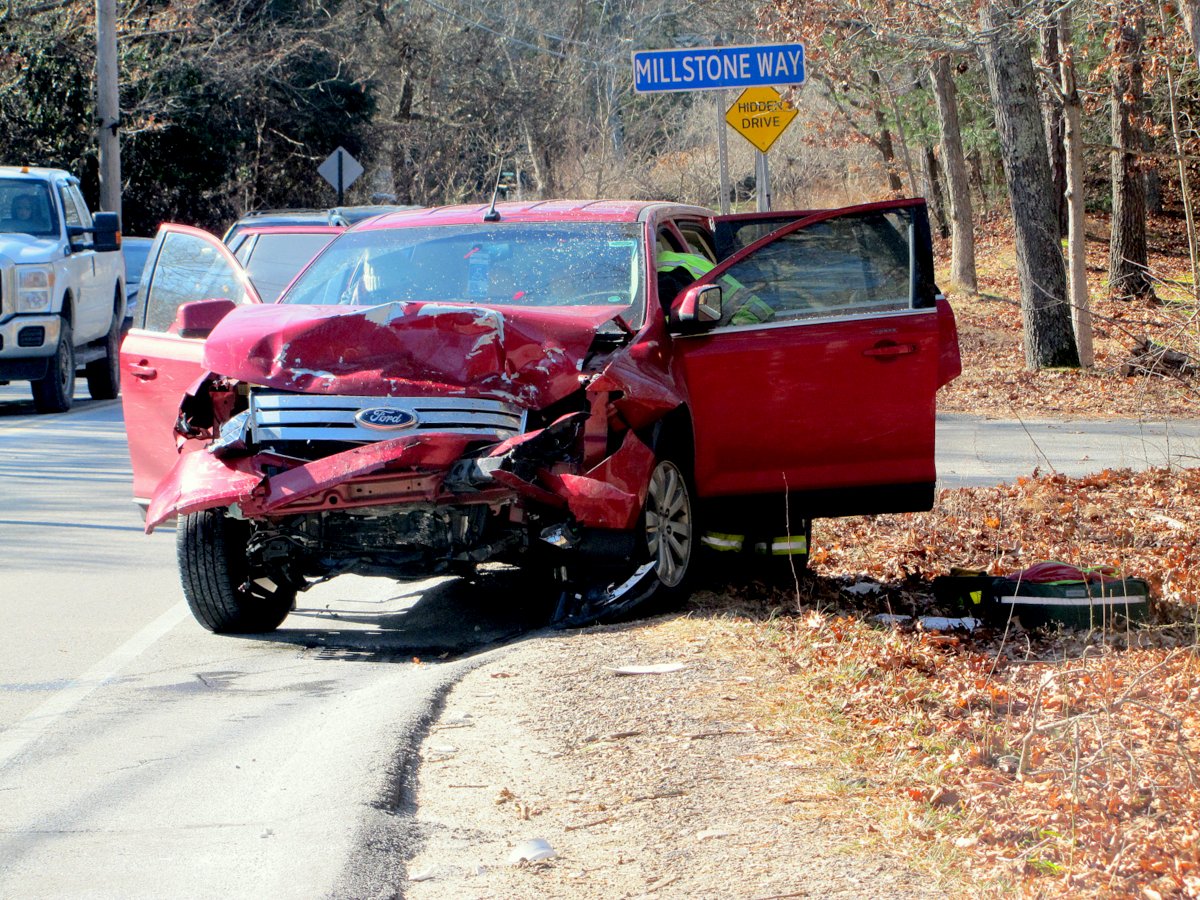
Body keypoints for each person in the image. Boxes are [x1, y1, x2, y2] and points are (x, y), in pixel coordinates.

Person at [656, 248, 773, 326]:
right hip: (756, 313)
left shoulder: (663, 277)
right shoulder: (679, 259)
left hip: (743, 322)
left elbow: (669, 326)